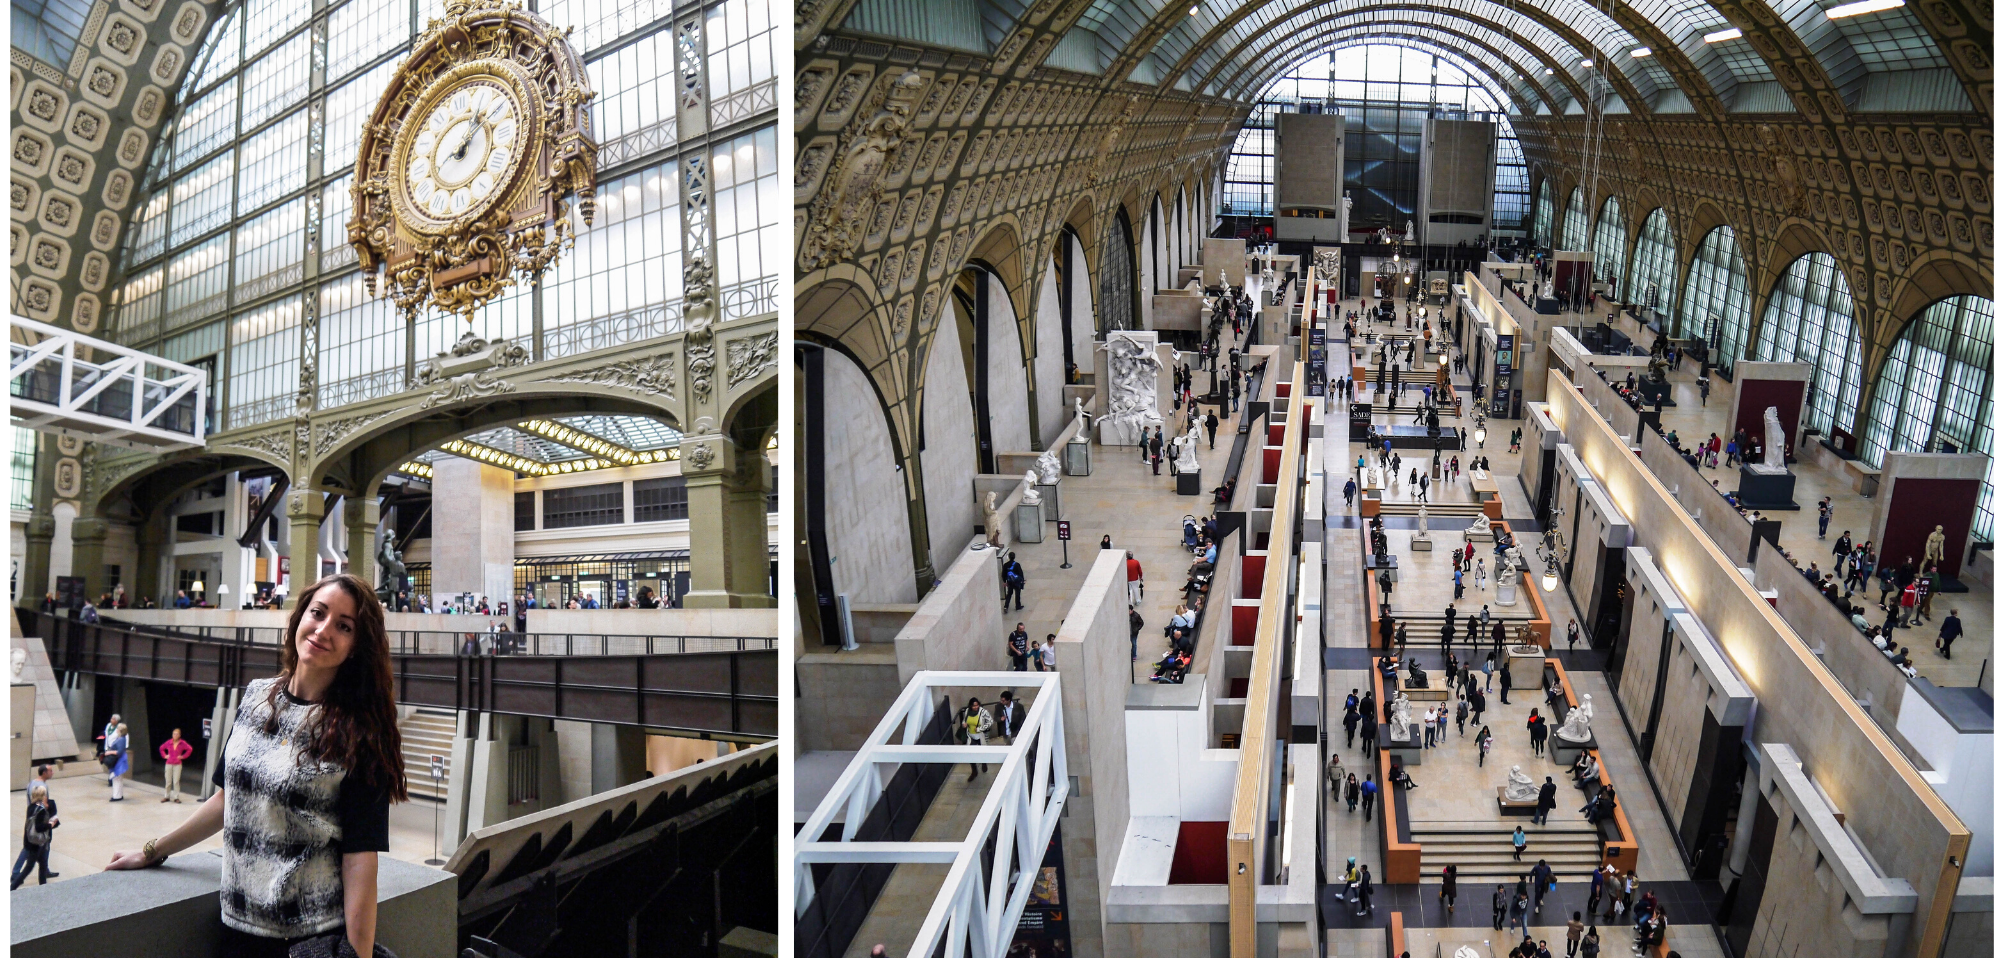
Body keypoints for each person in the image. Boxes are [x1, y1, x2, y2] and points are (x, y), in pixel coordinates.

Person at [106, 573, 407, 958]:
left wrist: (359, 955)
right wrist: (151, 851)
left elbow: (360, 858)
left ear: (356, 647)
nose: (324, 629)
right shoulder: (256, 697)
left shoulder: (358, 731)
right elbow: (227, 800)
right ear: (300, 617)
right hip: (235, 923)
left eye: (344, 626)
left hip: (306, 938)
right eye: (318, 613)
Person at [158, 727, 194, 803]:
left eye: (176, 734)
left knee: (176, 781)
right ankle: (166, 796)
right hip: (169, 763)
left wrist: (183, 756)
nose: (175, 735)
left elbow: (189, 749)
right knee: (168, 781)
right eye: (174, 734)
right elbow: (161, 748)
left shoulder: (182, 743)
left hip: (177, 764)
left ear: (179, 735)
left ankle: (176, 797)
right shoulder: (169, 742)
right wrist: (164, 755)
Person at [962, 698, 993, 781]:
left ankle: (984, 762)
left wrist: (980, 729)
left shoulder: (983, 712)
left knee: (982, 751)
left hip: (980, 736)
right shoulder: (967, 711)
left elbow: (990, 722)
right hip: (970, 736)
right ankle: (974, 771)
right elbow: (964, 720)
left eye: (977, 705)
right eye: (973, 705)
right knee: (970, 754)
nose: (975, 707)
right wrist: (964, 724)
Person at [104, 721, 131, 801]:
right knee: (118, 779)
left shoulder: (121, 740)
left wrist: (109, 752)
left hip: (119, 761)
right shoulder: (121, 739)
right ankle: (118, 795)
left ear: (120, 730)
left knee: (116, 778)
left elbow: (119, 752)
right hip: (119, 760)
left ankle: (117, 796)